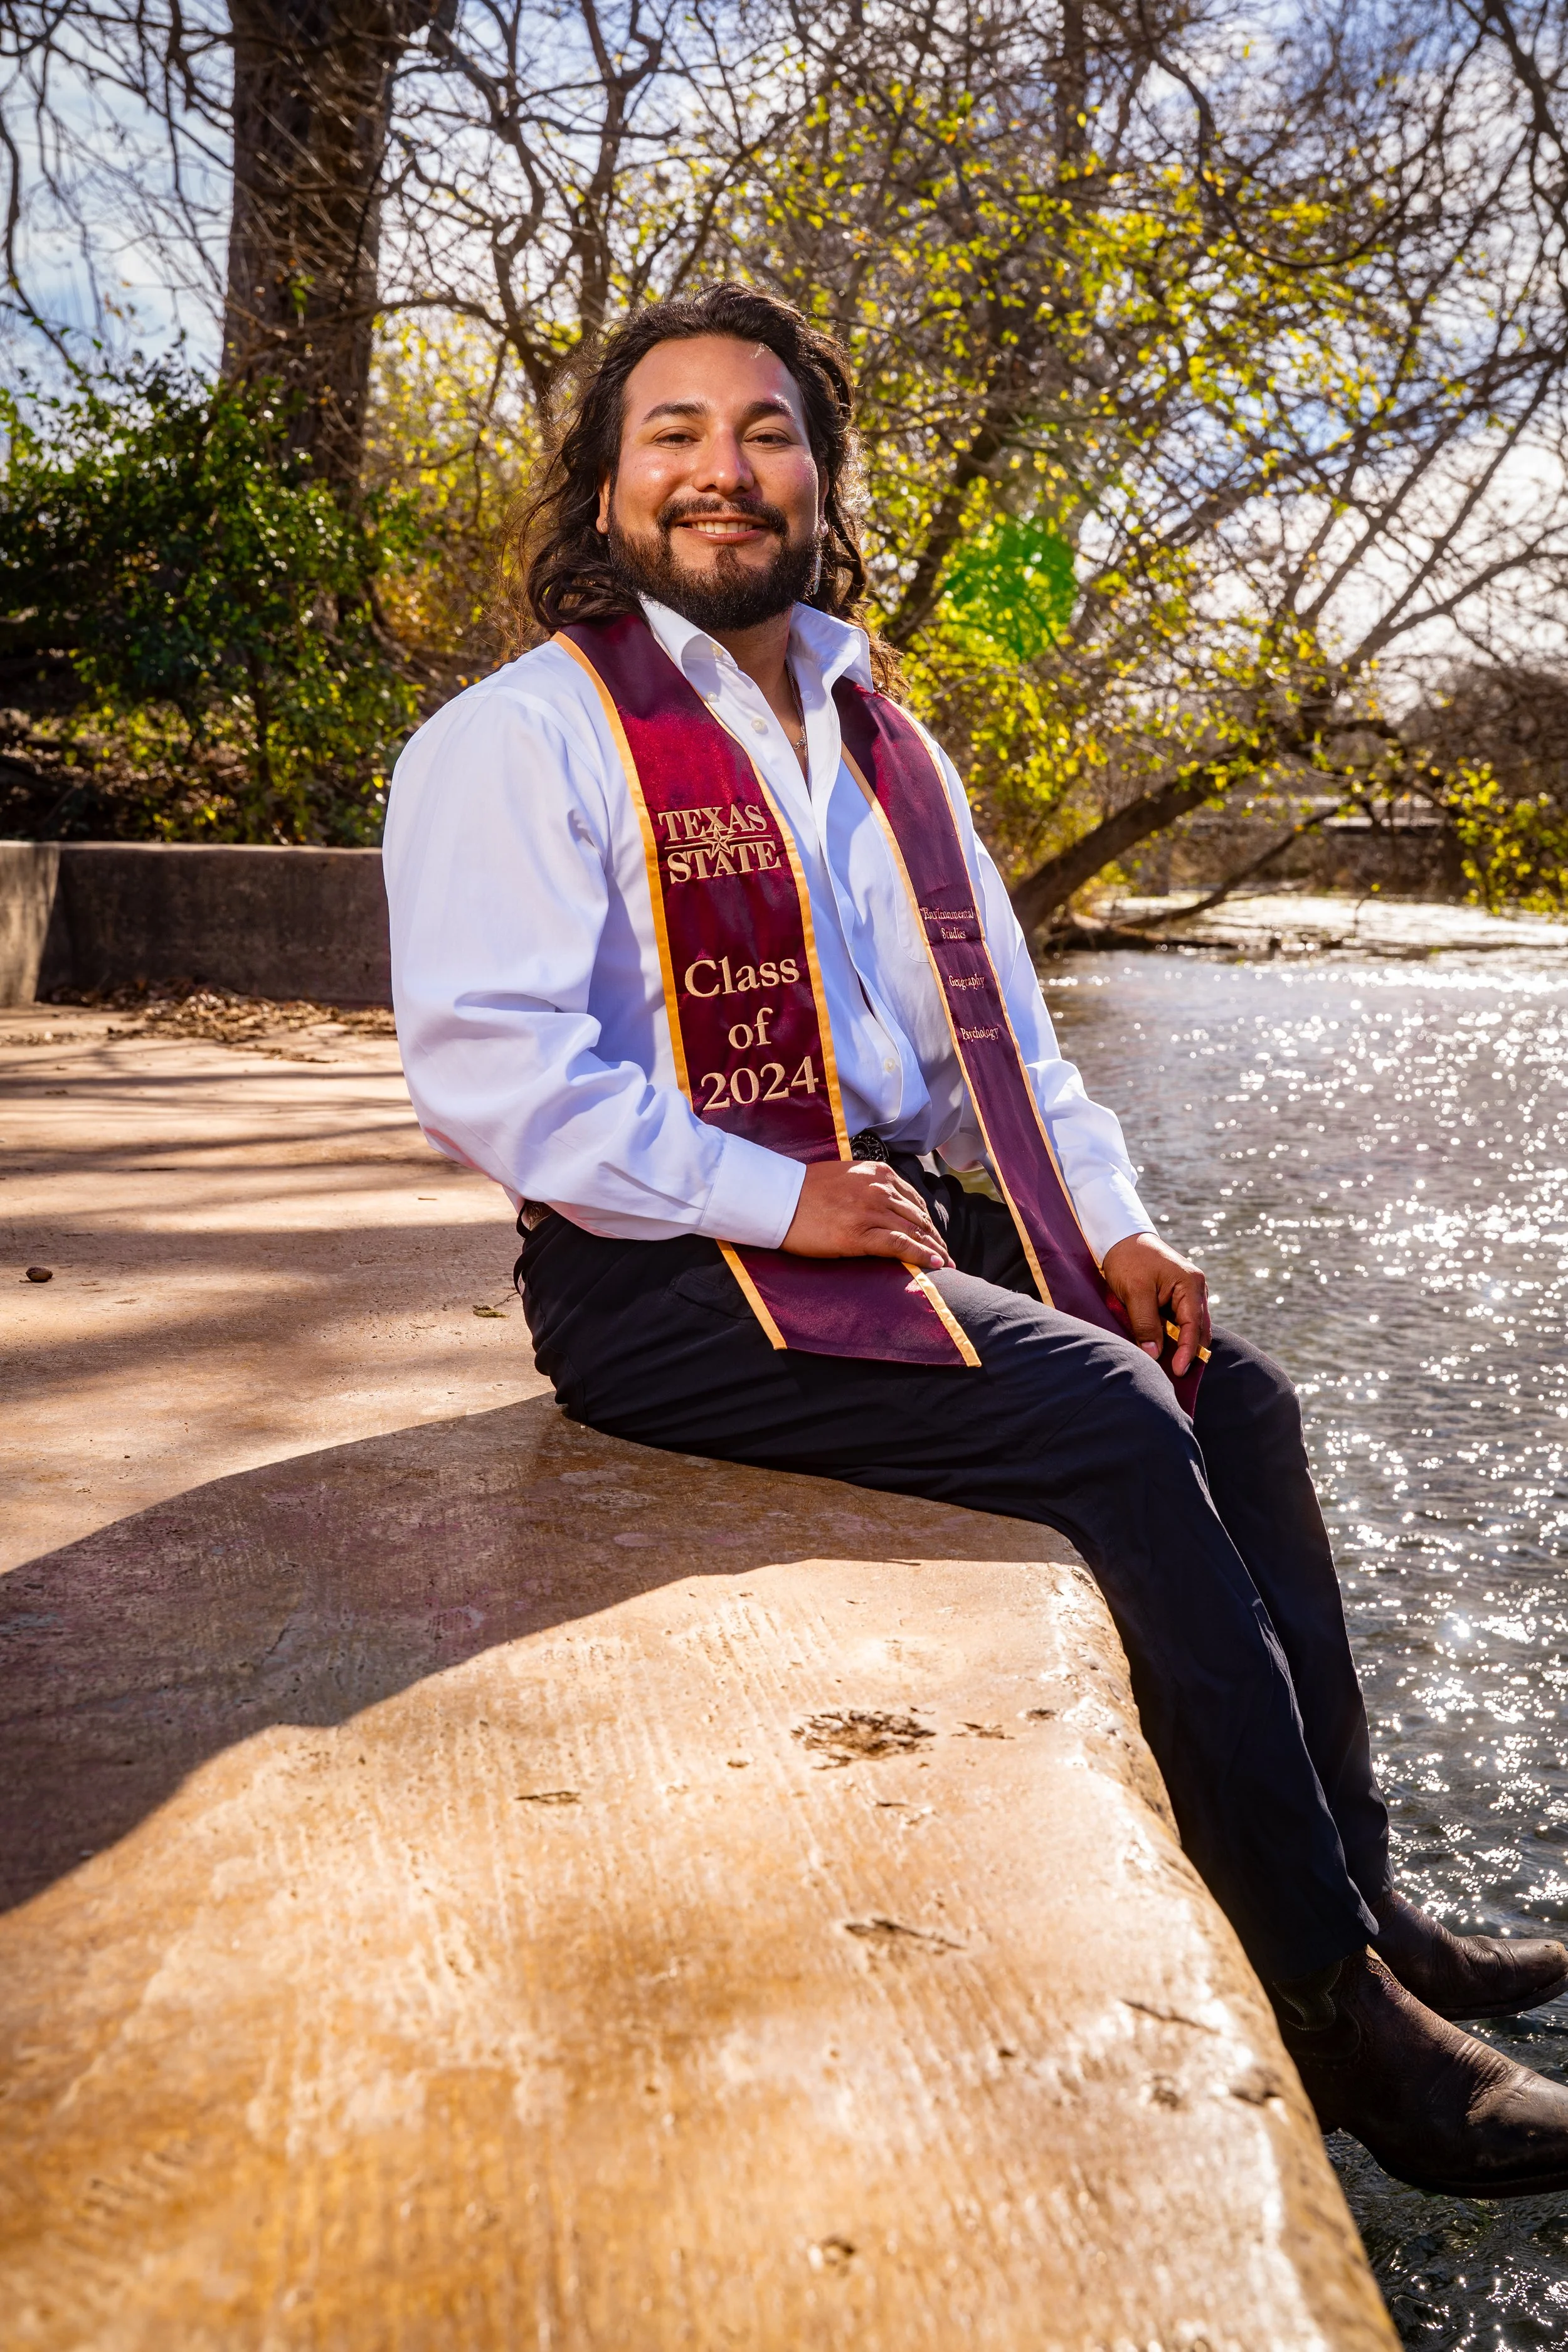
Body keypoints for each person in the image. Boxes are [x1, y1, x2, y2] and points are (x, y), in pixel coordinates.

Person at [383, 281, 1568, 2198]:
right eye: (670, 433)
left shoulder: (881, 743)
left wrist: (1109, 1225)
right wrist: (780, 1196)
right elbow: (493, 1079)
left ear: (820, 483)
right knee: (1108, 1420)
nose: (720, 473)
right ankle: (1335, 2016)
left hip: (884, 1212)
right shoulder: (514, 742)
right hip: (660, 1272)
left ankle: (1366, 1899)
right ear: (602, 490)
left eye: (764, 433)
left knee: (1223, 1389)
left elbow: (988, 1047)